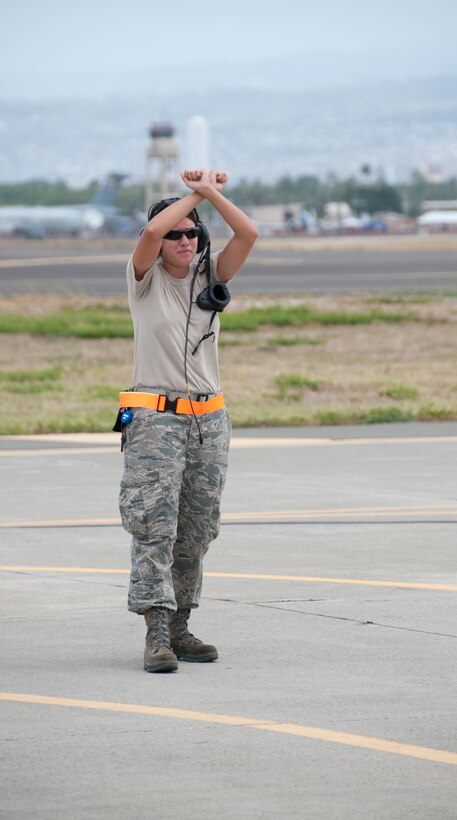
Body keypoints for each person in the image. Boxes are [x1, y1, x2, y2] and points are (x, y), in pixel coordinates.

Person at [117, 169, 258, 673]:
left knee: (196, 529)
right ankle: (156, 628)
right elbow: (152, 233)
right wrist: (193, 194)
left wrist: (212, 196)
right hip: (156, 419)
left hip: (209, 420)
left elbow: (249, 234)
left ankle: (181, 625)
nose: (182, 239)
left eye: (192, 231)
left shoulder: (212, 276)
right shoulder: (144, 280)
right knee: (155, 525)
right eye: (176, 232)